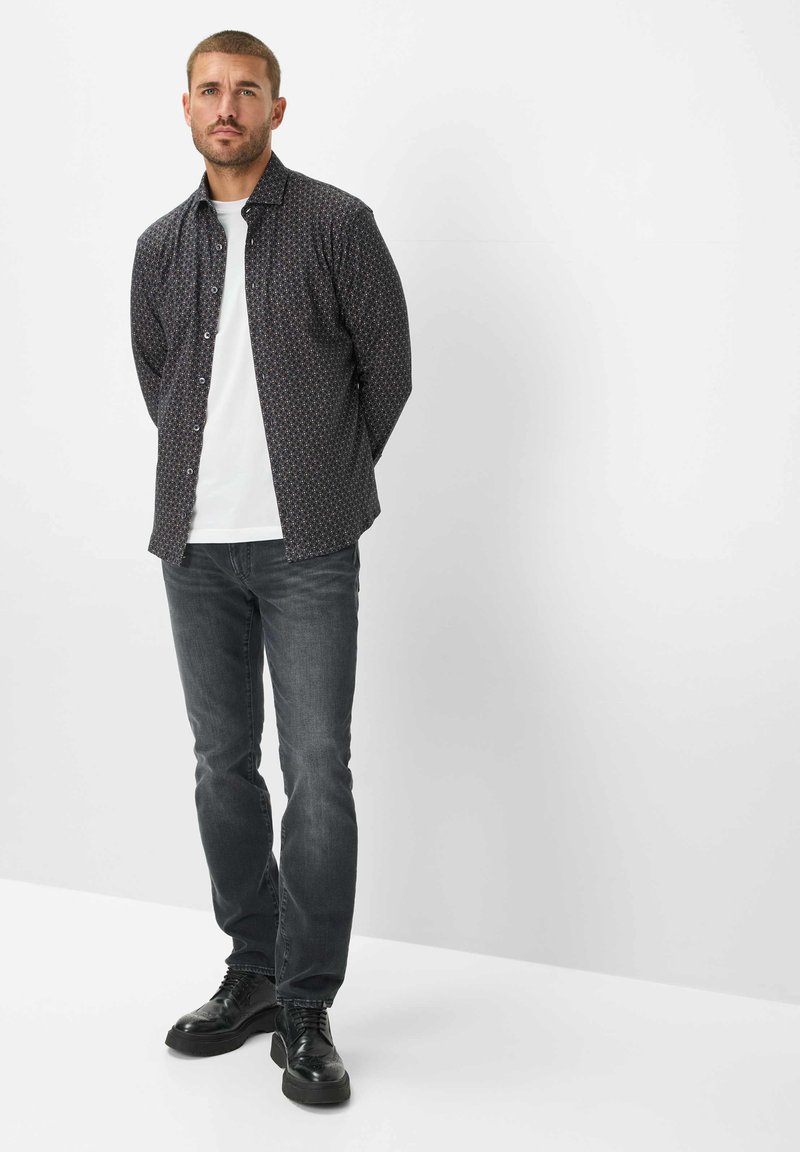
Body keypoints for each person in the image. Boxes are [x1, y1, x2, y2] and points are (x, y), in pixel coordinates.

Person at [129, 29, 412, 1106]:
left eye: (246, 90)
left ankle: (306, 1004)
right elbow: (157, 377)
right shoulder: (160, 248)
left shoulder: (338, 224)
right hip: (195, 546)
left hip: (308, 548)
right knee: (221, 766)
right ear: (186, 107)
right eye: (209, 89)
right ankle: (251, 970)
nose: (227, 106)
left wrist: (325, 478)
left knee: (318, 770)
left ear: (275, 110)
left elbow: (387, 368)